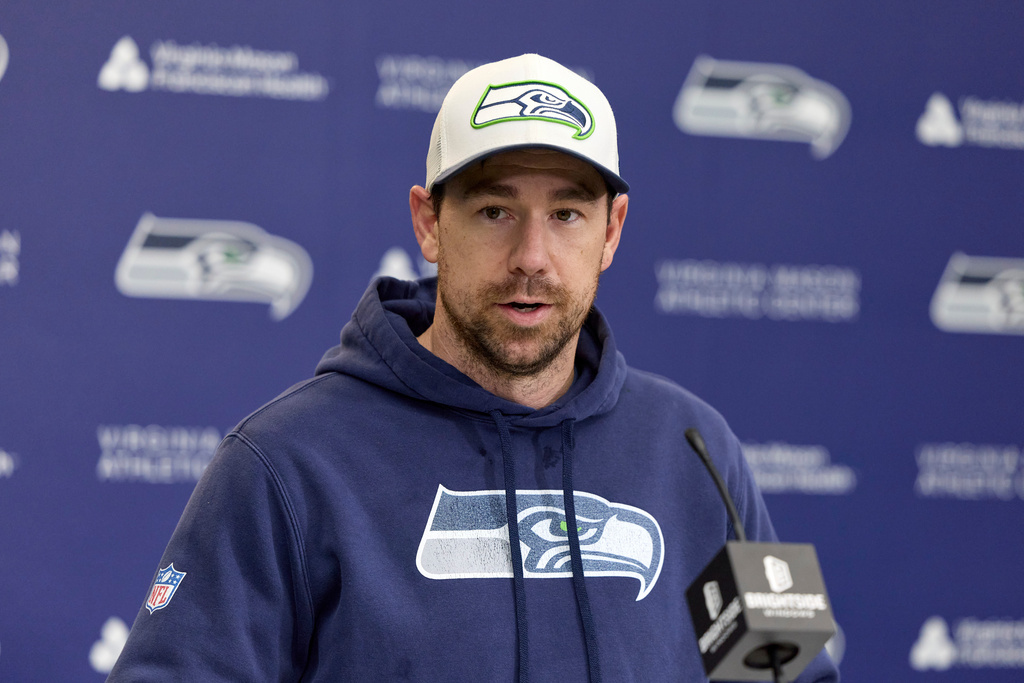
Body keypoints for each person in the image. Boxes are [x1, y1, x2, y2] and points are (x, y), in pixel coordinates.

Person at [108, 53, 839, 682]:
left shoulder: (697, 450)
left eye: (567, 215)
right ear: (430, 221)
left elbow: (795, 672)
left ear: (612, 230)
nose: (531, 255)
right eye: (495, 211)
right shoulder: (283, 464)